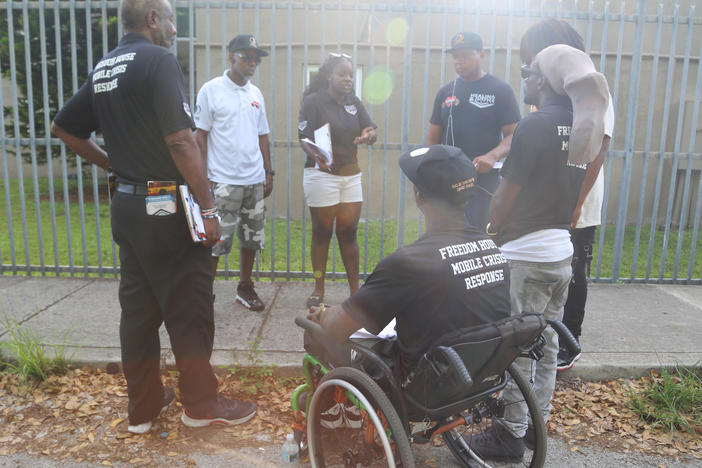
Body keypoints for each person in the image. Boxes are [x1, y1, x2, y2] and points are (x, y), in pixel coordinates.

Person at [51, 0, 255, 434]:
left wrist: (112, 165)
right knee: (190, 304)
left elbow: (64, 127)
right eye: (171, 21)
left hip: (129, 206)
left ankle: (142, 408)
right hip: (163, 205)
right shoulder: (158, 61)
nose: (175, 31)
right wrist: (209, 206)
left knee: (139, 310)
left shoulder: (106, 67)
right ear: (152, 19)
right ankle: (200, 405)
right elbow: (182, 142)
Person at [307, 144, 511, 377]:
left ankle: (336, 405)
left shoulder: (409, 263)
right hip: (476, 377)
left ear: (419, 196)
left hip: (421, 385)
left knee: (315, 330)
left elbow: (337, 327)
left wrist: (323, 314)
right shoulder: (493, 250)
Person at [485, 54, 582, 458]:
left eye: (528, 73)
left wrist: (492, 225)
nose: (522, 79)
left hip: (526, 254)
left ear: (543, 80)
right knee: (548, 344)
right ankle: (534, 425)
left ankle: (508, 433)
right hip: (561, 252)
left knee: (518, 345)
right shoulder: (580, 123)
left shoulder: (534, 124)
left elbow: (508, 193)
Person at [519, 19, 614, 371]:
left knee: (574, 271)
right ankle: (541, 336)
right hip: (548, 201)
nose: (529, 66)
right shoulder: (549, 90)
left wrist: (574, 206)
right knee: (551, 271)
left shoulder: (590, 87)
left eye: (532, 57)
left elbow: (597, 151)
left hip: (576, 202)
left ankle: (569, 343)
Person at [194, 34, 273, 312]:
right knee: (216, 241)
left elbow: (263, 136)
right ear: (231, 57)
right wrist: (203, 177)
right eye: (246, 57)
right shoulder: (211, 90)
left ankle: (245, 287)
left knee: (251, 239)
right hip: (223, 181)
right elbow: (200, 136)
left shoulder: (256, 94)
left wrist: (268, 172)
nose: (252, 63)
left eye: (256, 59)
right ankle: (204, 294)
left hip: (254, 180)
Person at [298, 53, 377, 307]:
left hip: (350, 176)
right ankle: (319, 288)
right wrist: (317, 155)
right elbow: (303, 137)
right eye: (343, 74)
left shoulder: (354, 102)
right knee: (322, 232)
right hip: (321, 175)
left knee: (349, 233)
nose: (348, 79)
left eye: (351, 75)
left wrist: (369, 134)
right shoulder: (313, 102)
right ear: (329, 76)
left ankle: (355, 292)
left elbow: (371, 129)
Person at [426, 31, 521, 231]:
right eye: (455, 57)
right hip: (448, 182)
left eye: (466, 55)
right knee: (447, 241)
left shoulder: (500, 90)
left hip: (483, 182)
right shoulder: (445, 93)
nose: (460, 61)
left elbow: (514, 135)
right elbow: (432, 141)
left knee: (481, 239)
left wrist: (492, 156)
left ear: (481, 54)